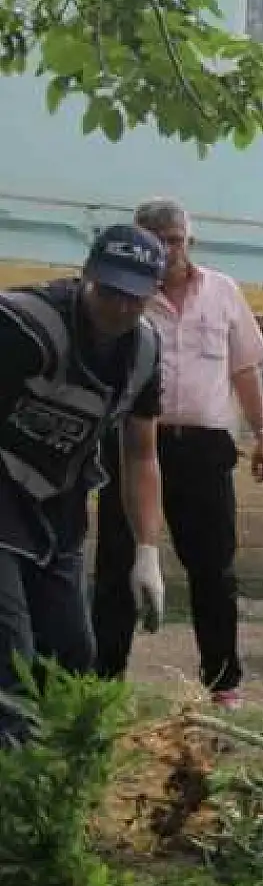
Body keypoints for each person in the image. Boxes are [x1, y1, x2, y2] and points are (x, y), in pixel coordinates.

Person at [91, 198, 263, 708]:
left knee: (213, 569)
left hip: (203, 447)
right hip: (130, 444)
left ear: (189, 241)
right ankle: (103, 684)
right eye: (156, 240)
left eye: (175, 239)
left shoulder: (222, 291)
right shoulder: (125, 293)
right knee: (117, 564)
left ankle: (223, 684)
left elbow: (244, 368)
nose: (168, 250)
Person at [0, 226, 169, 743]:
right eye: (110, 291)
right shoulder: (24, 326)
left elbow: (141, 453)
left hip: (58, 505)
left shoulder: (143, 353)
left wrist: (147, 550)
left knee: (73, 655)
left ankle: (61, 775)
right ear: (87, 277)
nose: (119, 309)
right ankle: (17, 796)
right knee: (11, 660)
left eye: (134, 298)